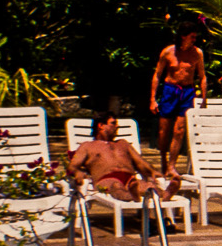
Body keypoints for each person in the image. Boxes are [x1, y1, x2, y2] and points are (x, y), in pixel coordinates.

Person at [69, 112, 181, 201]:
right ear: (101, 126)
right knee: (116, 186)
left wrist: (152, 171)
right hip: (106, 179)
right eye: (113, 123)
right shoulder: (87, 146)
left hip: (130, 179)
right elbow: (72, 166)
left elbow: (140, 162)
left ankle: (165, 194)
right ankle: (133, 196)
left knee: (149, 187)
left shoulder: (123, 143)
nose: (117, 126)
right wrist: (78, 172)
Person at [148, 21, 206, 176]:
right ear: (183, 36)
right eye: (192, 37)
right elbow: (157, 75)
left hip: (187, 91)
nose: (194, 40)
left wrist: (204, 98)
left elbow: (202, 76)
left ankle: (172, 166)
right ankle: (163, 161)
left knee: (179, 131)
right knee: (163, 131)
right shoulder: (168, 52)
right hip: (170, 90)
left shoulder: (197, 53)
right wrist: (153, 99)